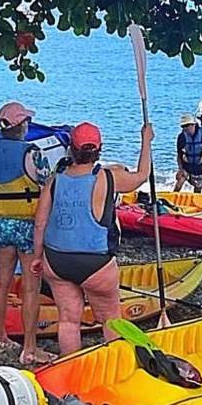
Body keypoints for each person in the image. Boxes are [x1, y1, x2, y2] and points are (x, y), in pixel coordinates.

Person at [31, 121, 154, 355]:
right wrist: (146, 141)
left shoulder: (54, 180)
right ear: (99, 149)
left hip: (57, 260)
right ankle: (115, 366)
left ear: (71, 149)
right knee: (111, 318)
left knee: (68, 319)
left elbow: (40, 223)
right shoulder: (108, 178)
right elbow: (141, 175)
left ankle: (72, 370)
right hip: (96, 263)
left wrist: (38, 257)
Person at [0, 102, 51, 366]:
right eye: (26, 121)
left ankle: (0, 337)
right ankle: (29, 348)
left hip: (2, 224)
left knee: (2, 282)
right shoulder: (34, 153)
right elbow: (49, 189)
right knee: (31, 286)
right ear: (21, 126)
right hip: (28, 225)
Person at [175, 114, 202, 193]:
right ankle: (172, 199)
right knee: (180, 182)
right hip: (186, 166)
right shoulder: (181, 137)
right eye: (183, 126)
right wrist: (180, 169)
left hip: (199, 167)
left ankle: (196, 202)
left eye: (187, 125)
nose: (185, 128)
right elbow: (179, 154)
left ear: (193, 125)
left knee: (198, 188)